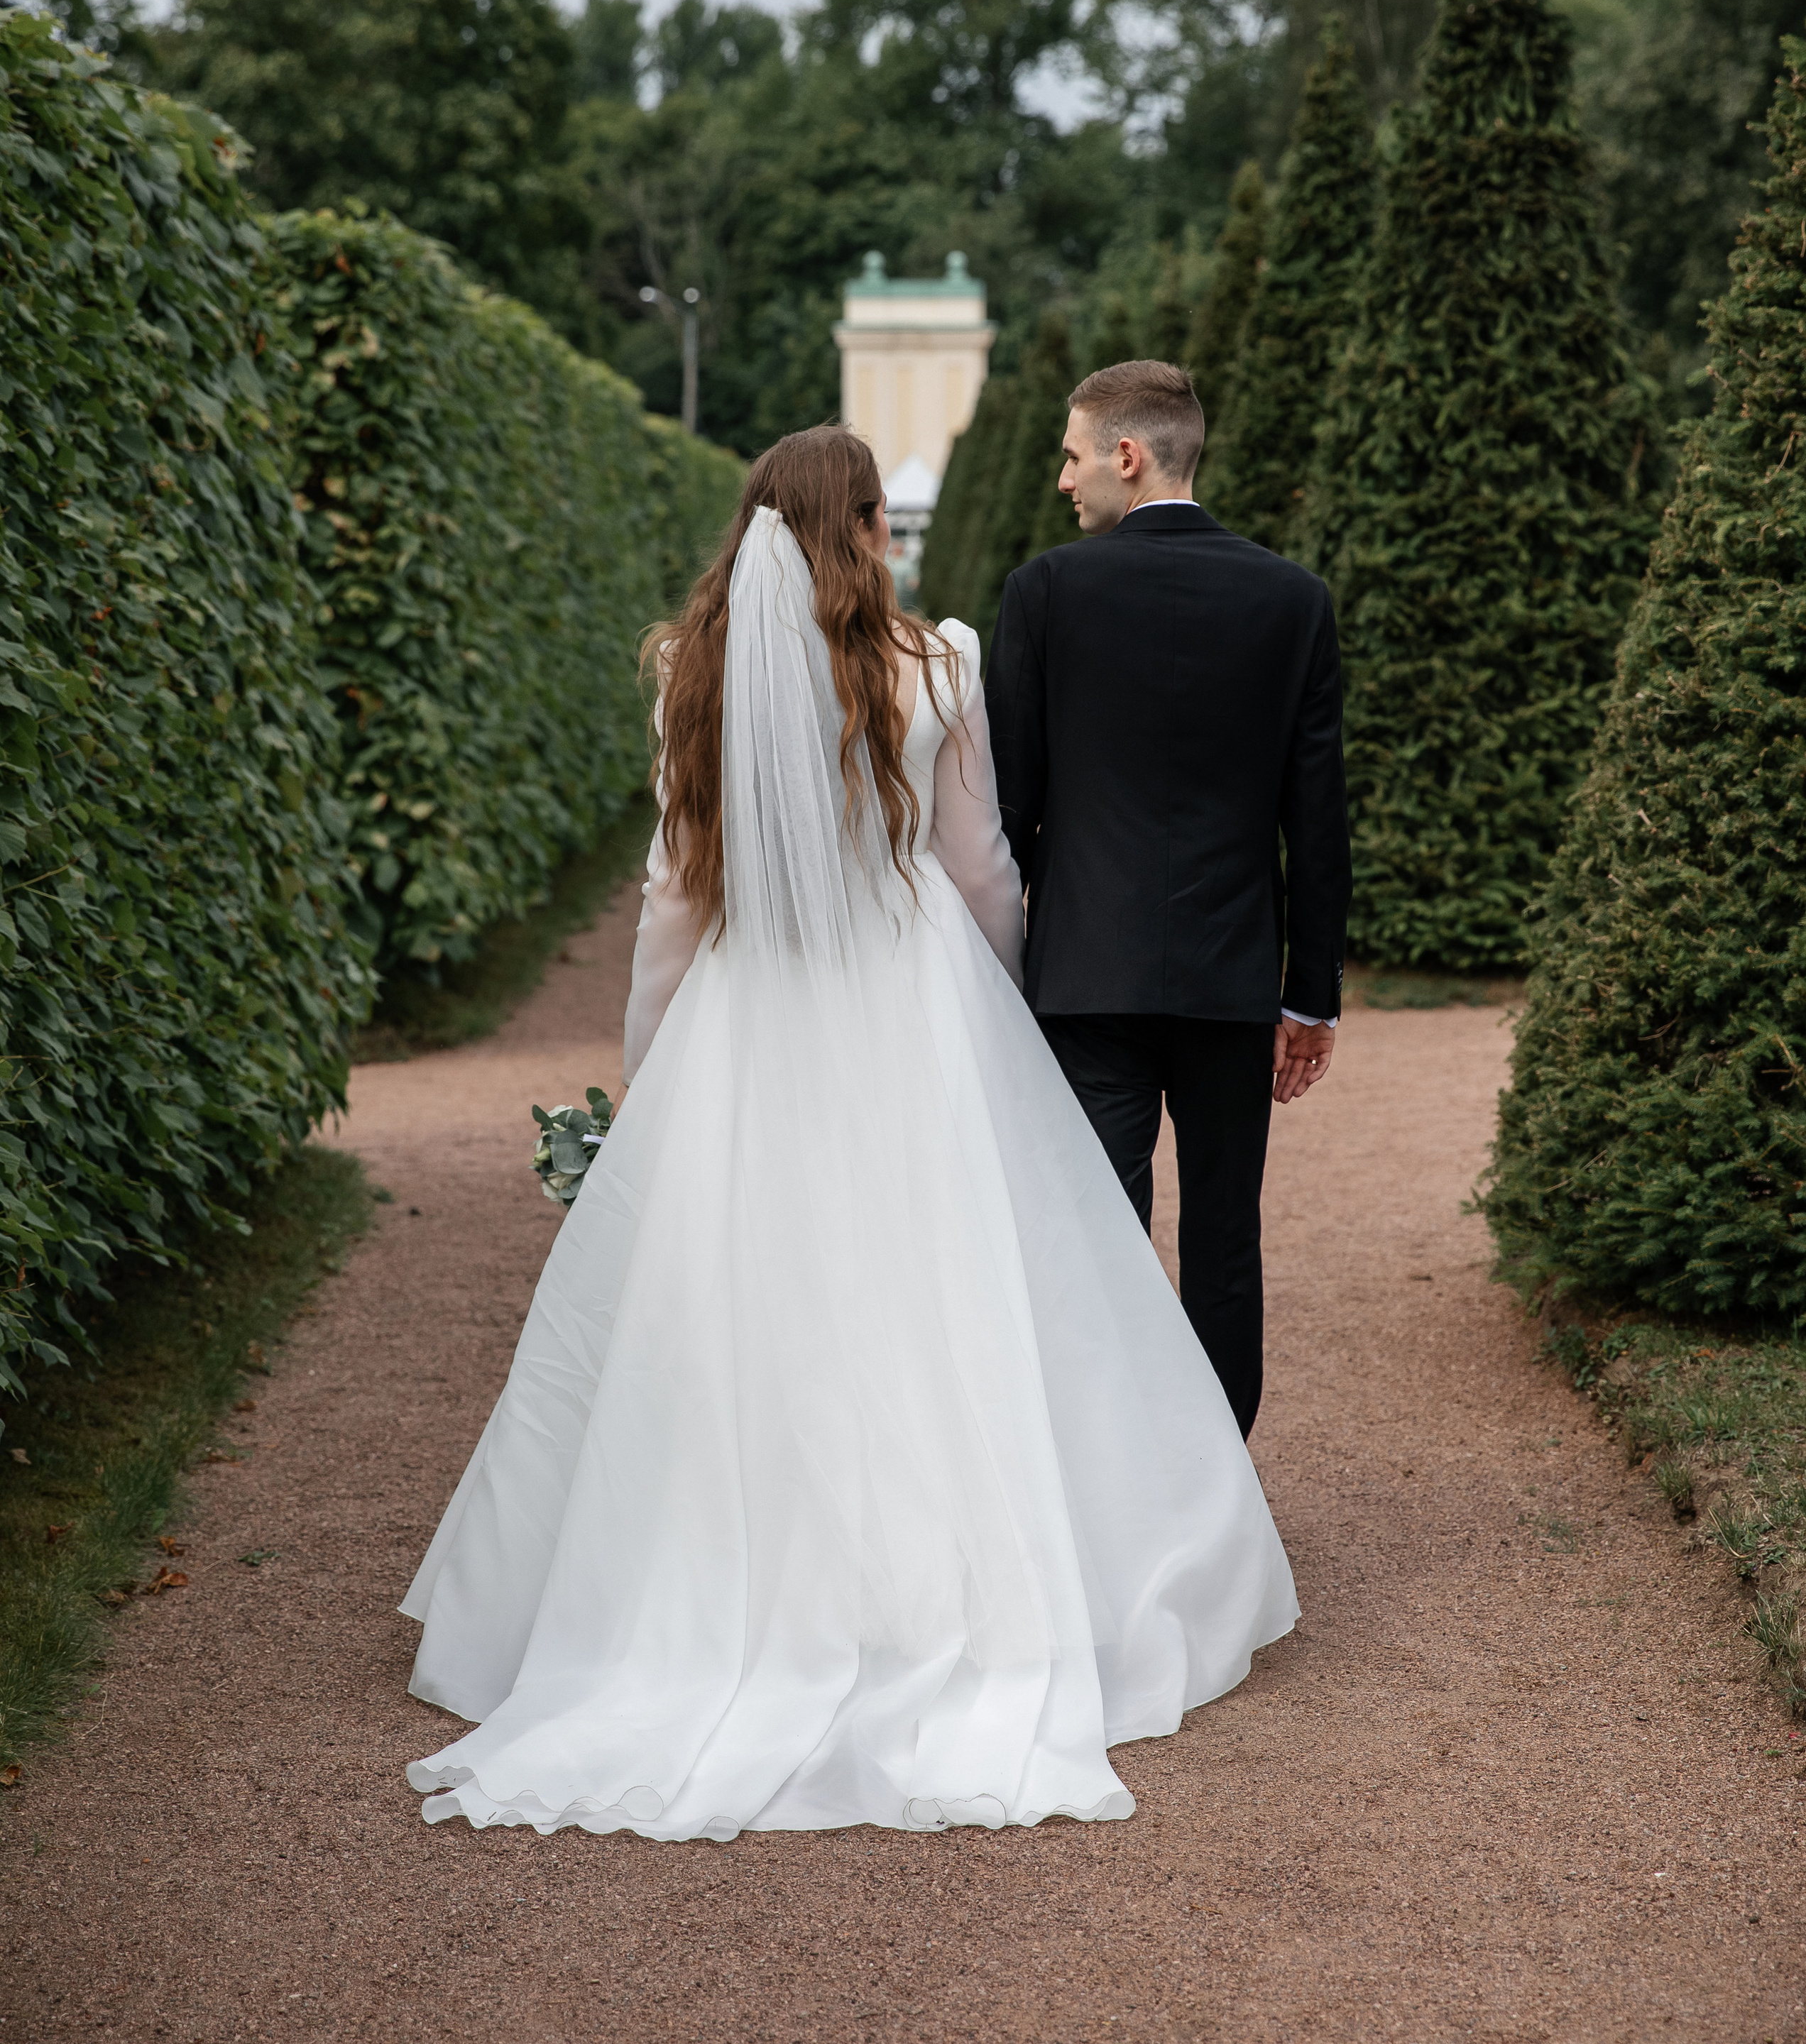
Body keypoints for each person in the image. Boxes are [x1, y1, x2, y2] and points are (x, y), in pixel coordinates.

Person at [401, 425, 1296, 1840]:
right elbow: (982, 866)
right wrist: (1008, 1015)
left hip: (750, 1010)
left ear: (755, 528)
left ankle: (723, 1599)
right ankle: (953, 1596)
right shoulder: (935, 662)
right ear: (866, 525)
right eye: (879, 515)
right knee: (947, 1294)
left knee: (755, 1306)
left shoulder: (687, 678)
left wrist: (648, 1082)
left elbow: (675, 897)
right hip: (913, 993)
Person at [985, 359, 1351, 1442]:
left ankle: (1109, 1488)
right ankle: (1218, 1493)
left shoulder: (1044, 592)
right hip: (1231, 982)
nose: (1063, 478)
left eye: (1071, 453)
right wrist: (1311, 998)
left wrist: (1005, 969)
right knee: (1225, 1242)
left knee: (1098, 1231)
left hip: (1085, 978)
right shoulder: (1295, 601)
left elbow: (1009, 811)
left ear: (1127, 456)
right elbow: (1316, 820)